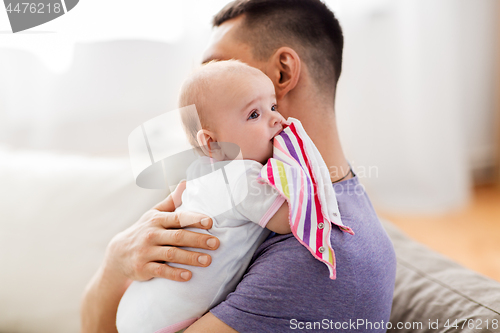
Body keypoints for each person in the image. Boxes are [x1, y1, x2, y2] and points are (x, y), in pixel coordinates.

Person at [81, 1, 397, 332]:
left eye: (220, 66)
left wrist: (115, 268)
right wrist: (116, 261)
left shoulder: (316, 249)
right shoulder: (227, 181)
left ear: (282, 73)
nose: (195, 107)